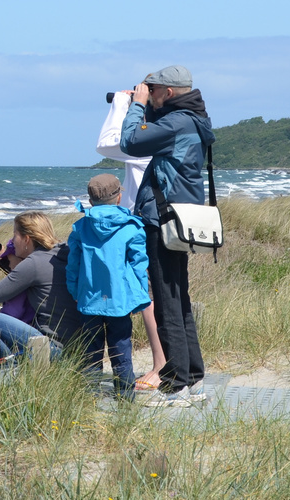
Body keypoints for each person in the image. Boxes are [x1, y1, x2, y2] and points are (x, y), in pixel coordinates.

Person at [120, 64, 215, 407]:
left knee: (167, 302)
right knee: (179, 298)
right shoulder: (193, 119)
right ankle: (193, 378)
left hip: (162, 219)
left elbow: (130, 141)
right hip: (180, 218)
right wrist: (146, 104)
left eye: (153, 89)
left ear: (168, 92)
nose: (150, 93)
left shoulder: (175, 123)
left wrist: (136, 106)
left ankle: (175, 385)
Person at [0, 211, 83, 392]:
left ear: (27, 239)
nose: (12, 241)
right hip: (77, 348)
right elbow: (25, 278)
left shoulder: (34, 263)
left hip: (50, 348)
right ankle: (7, 376)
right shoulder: (62, 252)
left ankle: (5, 377)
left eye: (15, 236)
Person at [97, 90, 167, 391]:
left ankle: (161, 365)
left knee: (149, 297)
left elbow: (105, 144)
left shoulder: (147, 142)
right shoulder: (171, 132)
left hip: (147, 223)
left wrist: (122, 104)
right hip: (162, 218)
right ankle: (166, 363)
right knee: (161, 295)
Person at [66, 174, 150, 397]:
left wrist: (74, 291)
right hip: (120, 300)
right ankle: (125, 398)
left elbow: (72, 265)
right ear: (119, 197)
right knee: (121, 348)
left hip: (88, 298)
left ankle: (91, 398)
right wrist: (140, 295)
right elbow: (139, 265)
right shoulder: (131, 227)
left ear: (91, 201)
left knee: (91, 351)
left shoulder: (80, 227)